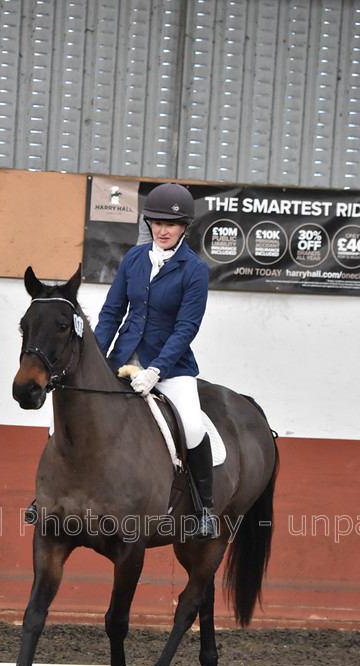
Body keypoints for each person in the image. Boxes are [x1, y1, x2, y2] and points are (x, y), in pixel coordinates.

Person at [94, 182, 218, 541]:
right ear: (148, 223)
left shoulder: (194, 270)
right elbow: (112, 312)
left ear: (184, 228)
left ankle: (205, 510)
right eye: (157, 222)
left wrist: (156, 370)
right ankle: (49, 497)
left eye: (172, 224)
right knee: (79, 406)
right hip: (122, 357)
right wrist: (99, 358)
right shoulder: (133, 259)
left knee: (193, 428)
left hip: (170, 366)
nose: (163, 230)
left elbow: (186, 328)